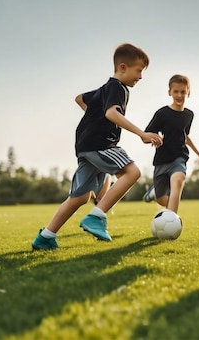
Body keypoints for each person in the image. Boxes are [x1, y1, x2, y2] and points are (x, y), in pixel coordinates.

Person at [31, 43, 163, 251]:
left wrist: (93, 117)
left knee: (80, 197)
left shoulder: (104, 89)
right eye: (139, 70)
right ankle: (97, 217)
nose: (140, 77)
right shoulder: (118, 88)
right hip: (100, 143)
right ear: (122, 67)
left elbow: (79, 99)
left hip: (85, 145)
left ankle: (46, 236)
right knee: (132, 172)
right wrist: (141, 134)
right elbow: (112, 113)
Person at [143, 74, 199, 214]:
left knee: (178, 180)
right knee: (161, 199)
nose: (179, 95)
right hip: (161, 160)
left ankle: (172, 221)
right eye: (176, 91)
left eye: (183, 92)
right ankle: (155, 193)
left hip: (179, 157)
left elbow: (185, 136)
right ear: (169, 92)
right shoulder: (162, 114)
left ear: (188, 92)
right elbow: (145, 136)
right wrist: (154, 138)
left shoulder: (189, 115)